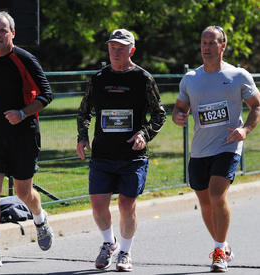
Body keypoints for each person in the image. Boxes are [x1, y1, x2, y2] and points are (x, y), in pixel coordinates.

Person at [76, 29, 166, 272]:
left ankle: (125, 251)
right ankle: (109, 243)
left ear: (131, 51)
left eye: (121, 48)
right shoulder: (98, 78)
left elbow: (159, 113)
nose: (116, 52)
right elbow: (85, 111)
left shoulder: (143, 78)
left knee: (127, 205)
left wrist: (144, 135)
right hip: (103, 153)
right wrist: (82, 137)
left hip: (132, 156)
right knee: (97, 205)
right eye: (112, 47)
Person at [172, 25, 260, 272]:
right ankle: (225, 245)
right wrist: (178, 115)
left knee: (216, 193)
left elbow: (257, 106)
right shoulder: (191, 79)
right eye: (204, 42)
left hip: (228, 145)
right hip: (200, 149)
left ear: (223, 46)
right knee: (206, 203)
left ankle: (219, 251)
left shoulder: (238, 75)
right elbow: (180, 107)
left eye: (212, 43)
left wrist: (244, 131)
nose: (206, 47)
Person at [0, 11, 54, 268]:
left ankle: (39, 217)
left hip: (23, 135)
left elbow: (47, 94)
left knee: (24, 191)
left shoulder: (24, 59)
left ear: (12, 33)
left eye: (3, 31)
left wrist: (23, 113)